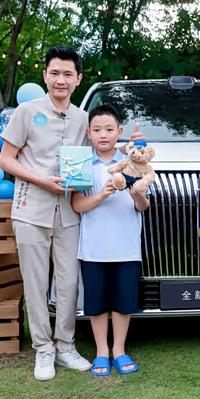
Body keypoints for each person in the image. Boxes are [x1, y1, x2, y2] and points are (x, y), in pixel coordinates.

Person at [0, 45, 142, 381]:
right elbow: (6, 159)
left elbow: (103, 145)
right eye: (54, 73)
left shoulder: (82, 118)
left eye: (67, 74)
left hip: (69, 212)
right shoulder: (27, 112)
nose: (60, 80)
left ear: (78, 79)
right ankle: (43, 349)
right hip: (31, 210)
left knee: (69, 283)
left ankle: (65, 346)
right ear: (45, 75)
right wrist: (41, 180)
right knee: (36, 283)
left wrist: (132, 146)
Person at [71, 104, 148, 376]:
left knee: (123, 302)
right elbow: (77, 205)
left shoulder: (133, 162)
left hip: (126, 247)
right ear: (88, 133)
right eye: (97, 130)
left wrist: (137, 194)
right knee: (97, 304)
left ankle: (119, 350)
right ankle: (101, 351)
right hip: (93, 248)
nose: (103, 135)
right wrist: (102, 194)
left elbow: (143, 206)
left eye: (109, 129)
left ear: (119, 131)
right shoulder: (81, 164)